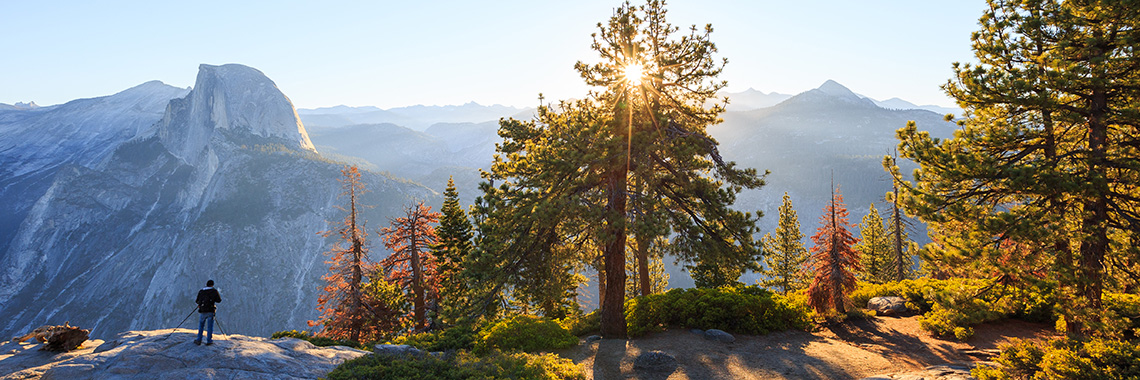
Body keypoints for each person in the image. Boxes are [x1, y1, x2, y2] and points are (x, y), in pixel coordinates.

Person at [194, 280, 222, 345]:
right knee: (210, 326)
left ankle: (199, 340)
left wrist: (200, 304)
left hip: (202, 310)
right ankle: (209, 341)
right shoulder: (214, 291)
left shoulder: (201, 291)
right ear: (212, 285)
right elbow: (219, 300)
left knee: (201, 326)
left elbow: (197, 301)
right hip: (210, 310)